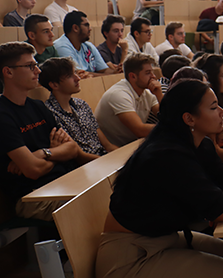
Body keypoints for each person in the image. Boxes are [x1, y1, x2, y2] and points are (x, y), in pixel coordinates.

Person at [96, 79, 223, 278]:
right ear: (189, 119)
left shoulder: (201, 145)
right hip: (131, 256)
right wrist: (222, 202)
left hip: (165, 238)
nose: (222, 112)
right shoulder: (167, 155)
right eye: (213, 107)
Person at [0, 42, 94, 222]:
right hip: (33, 195)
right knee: (96, 203)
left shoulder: (37, 106)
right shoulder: (3, 115)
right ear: (8, 72)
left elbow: (72, 149)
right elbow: (33, 171)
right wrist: (55, 155)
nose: (38, 71)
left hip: (64, 180)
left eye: (36, 65)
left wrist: (41, 153)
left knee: (115, 190)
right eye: (30, 66)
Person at [40, 58, 117, 157]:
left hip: (103, 158)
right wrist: (107, 162)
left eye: (75, 73)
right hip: (85, 166)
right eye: (69, 76)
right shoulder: (50, 113)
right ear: (54, 85)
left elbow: (107, 145)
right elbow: (79, 157)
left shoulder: (82, 104)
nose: (78, 78)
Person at [96, 53, 162, 147]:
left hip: (131, 145)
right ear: (133, 76)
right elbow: (140, 130)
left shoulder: (147, 93)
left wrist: (159, 94)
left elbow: (169, 115)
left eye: (152, 72)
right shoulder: (119, 94)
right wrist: (171, 127)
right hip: (111, 150)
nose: (153, 77)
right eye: (148, 73)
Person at [53, 11, 113, 75]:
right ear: (75, 28)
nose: (90, 29)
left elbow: (104, 70)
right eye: (86, 25)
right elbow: (77, 75)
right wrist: (106, 76)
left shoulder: (89, 46)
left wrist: (116, 71)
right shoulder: (61, 47)